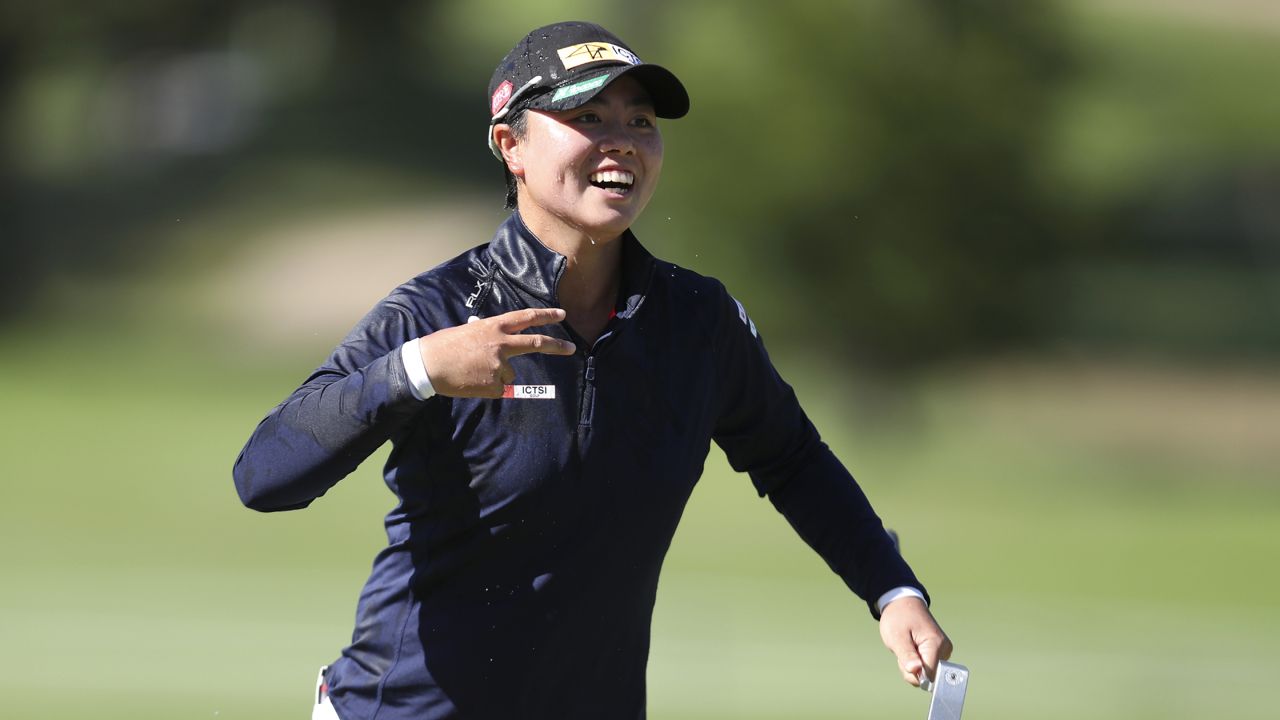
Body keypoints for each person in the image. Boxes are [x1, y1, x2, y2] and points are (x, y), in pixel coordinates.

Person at [233, 20, 952, 720]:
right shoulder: (438, 312)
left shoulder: (697, 323)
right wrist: (417, 369)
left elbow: (792, 458)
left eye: (640, 121)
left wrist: (891, 590)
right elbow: (265, 475)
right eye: (588, 115)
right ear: (511, 145)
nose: (623, 142)